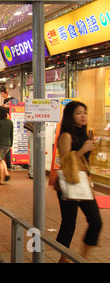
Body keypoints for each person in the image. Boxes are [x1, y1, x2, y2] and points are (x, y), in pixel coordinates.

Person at [55, 101, 102, 262]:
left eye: (85, 112)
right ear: (70, 116)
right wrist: (82, 150)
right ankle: (64, 258)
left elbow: (85, 165)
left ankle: (83, 257)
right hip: (68, 183)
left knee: (96, 221)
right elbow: (66, 161)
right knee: (69, 223)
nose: (83, 116)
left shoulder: (86, 134)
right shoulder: (66, 136)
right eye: (78, 113)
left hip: (83, 183)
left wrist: (90, 185)